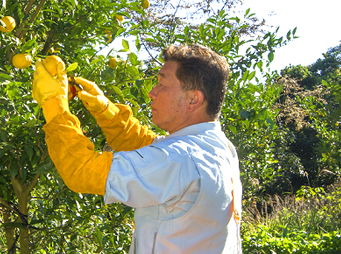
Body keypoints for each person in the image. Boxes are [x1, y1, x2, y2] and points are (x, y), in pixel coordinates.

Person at [32, 43, 242, 253]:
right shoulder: (218, 147)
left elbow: (81, 170)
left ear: (193, 99)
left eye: (163, 84)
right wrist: (105, 110)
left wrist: (54, 104)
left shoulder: (180, 158)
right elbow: (147, 145)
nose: (152, 93)